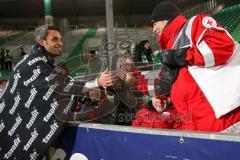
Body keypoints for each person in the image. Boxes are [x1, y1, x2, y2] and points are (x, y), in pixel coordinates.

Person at [0, 25, 118, 160]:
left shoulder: (42, 62)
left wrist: (89, 90)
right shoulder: (34, 63)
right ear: (42, 42)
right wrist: (97, 82)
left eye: (61, 39)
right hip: (10, 134)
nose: (60, 43)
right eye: (55, 39)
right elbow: (62, 86)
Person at [151, 1, 240, 133]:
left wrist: (181, 56)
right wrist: (166, 98)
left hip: (222, 119)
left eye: (154, 24)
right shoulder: (171, 47)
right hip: (193, 123)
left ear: (165, 18)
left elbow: (222, 47)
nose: (153, 30)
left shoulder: (195, 23)